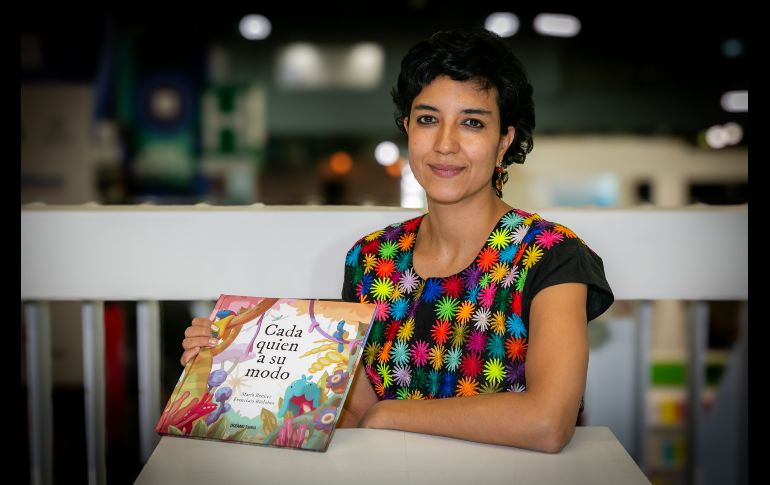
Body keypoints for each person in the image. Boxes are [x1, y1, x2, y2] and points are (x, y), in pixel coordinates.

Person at [181, 28, 614, 453]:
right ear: (407, 128)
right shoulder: (371, 260)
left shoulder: (551, 256)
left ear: (504, 141)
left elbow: (547, 422)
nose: (445, 144)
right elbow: (353, 412)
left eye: (472, 123)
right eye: (428, 119)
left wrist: (392, 415)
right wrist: (230, 360)